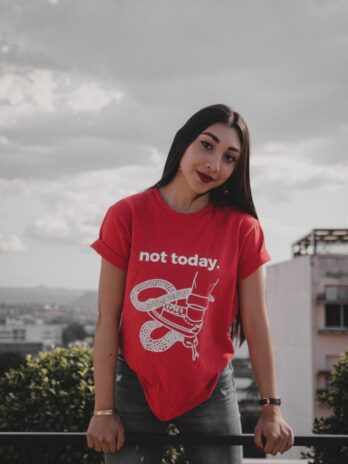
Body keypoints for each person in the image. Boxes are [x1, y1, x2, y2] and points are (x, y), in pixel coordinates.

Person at [86, 103, 294, 463]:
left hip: (211, 387)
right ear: (183, 142)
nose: (214, 165)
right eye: (207, 145)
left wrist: (271, 408)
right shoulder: (127, 215)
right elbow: (108, 318)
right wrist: (103, 411)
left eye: (230, 158)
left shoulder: (242, 229)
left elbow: (257, 321)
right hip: (134, 385)